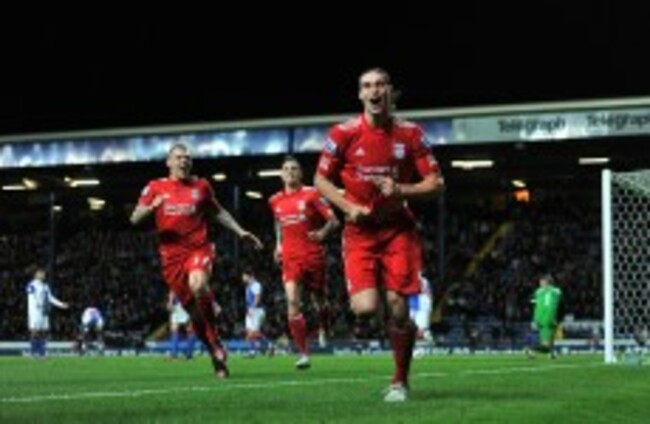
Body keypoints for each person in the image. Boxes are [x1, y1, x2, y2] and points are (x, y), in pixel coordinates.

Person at [314, 68, 444, 402]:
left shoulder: (411, 133)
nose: (374, 91)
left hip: (397, 230)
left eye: (380, 85)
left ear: (391, 92)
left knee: (398, 305)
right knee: (364, 308)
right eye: (367, 86)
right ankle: (399, 327)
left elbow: (436, 184)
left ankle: (400, 380)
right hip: (359, 232)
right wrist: (346, 206)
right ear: (360, 95)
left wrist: (401, 188)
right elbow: (320, 180)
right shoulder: (343, 133)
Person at [130, 143, 263, 378]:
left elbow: (218, 212)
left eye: (187, 158)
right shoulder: (155, 187)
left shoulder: (201, 186)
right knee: (195, 315)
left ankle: (212, 321)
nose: (184, 161)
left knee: (198, 284)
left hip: (199, 249)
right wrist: (151, 207)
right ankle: (215, 351)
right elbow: (135, 218)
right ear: (168, 162)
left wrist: (240, 231)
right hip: (171, 259)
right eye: (178, 157)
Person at [269, 155, 340, 369]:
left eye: (294, 169)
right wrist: (278, 244)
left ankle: (324, 325)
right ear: (281, 174)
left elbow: (333, 221)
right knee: (292, 302)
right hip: (290, 258)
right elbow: (278, 223)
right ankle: (303, 353)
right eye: (286, 169)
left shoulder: (312, 194)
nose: (290, 172)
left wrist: (322, 232)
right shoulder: (274, 200)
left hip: (313, 255)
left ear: (300, 173)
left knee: (320, 301)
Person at [26, 268, 69, 358]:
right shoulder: (31, 285)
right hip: (34, 311)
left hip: (43, 311)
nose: (43, 275)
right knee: (34, 330)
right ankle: (34, 352)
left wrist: (61, 304)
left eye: (44, 274)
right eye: (40, 274)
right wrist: (37, 304)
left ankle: (42, 352)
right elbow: (31, 296)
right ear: (36, 275)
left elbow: (51, 298)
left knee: (43, 331)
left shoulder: (45, 286)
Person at [527, 273, 563, 359]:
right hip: (548, 319)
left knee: (551, 337)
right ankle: (531, 349)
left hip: (540, 318)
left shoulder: (538, 291)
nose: (540, 283)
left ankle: (552, 353)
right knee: (546, 345)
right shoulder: (556, 291)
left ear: (546, 282)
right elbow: (556, 302)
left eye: (541, 281)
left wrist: (535, 318)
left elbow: (534, 302)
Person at [241, 268, 271, 357]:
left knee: (254, 333)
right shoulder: (248, 286)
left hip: (257, 311)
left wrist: (252, 309)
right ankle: (252, 351)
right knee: (249, 331)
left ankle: (269, 345)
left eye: (244, 276)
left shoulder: (256, 285)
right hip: (250, 311)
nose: (242, 278)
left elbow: (257, 298)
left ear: (249, 276)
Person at [409, 273, 433, 358]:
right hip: (412, 305)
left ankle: (420, 349)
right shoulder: (422, 280)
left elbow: (428, 293)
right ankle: (418, 347)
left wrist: (429, 306)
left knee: (419, 330)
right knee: (411, 329)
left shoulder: (423, 281)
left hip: (422, 306)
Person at [167, 292, 196, 360]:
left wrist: (170, 302)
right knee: (189, 330)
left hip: (179, 305)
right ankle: (189, 354)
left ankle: (175, 354)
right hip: (183, 305)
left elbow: (172, 292)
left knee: (177, 329)